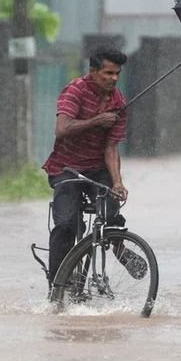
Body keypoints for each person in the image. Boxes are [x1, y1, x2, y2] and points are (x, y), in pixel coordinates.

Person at [42, 47, 135, 291]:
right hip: (67, 168)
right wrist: (97, 121)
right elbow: (62, 129)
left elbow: (111, 148)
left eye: (117, 73)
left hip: (97, 168)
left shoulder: (119, 102)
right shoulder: (75, 91)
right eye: (108, 73)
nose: (114, 78)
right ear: (93, 71)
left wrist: (117, 182)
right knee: (66, 225)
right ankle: (58, 284)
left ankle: (119, 247)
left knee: (111, 213)